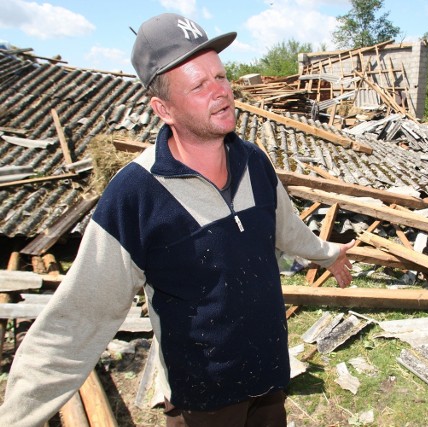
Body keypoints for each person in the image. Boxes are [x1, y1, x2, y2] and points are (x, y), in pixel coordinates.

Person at [0, 13, 354, 427]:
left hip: (269, 378)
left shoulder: (254, 163)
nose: (220, 92)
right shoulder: (135, 196)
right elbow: (78, 318)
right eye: (199, 85)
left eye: (220, 76)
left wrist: (327, 253)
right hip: (202, 402)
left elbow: (286, 227)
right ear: (163, 108)